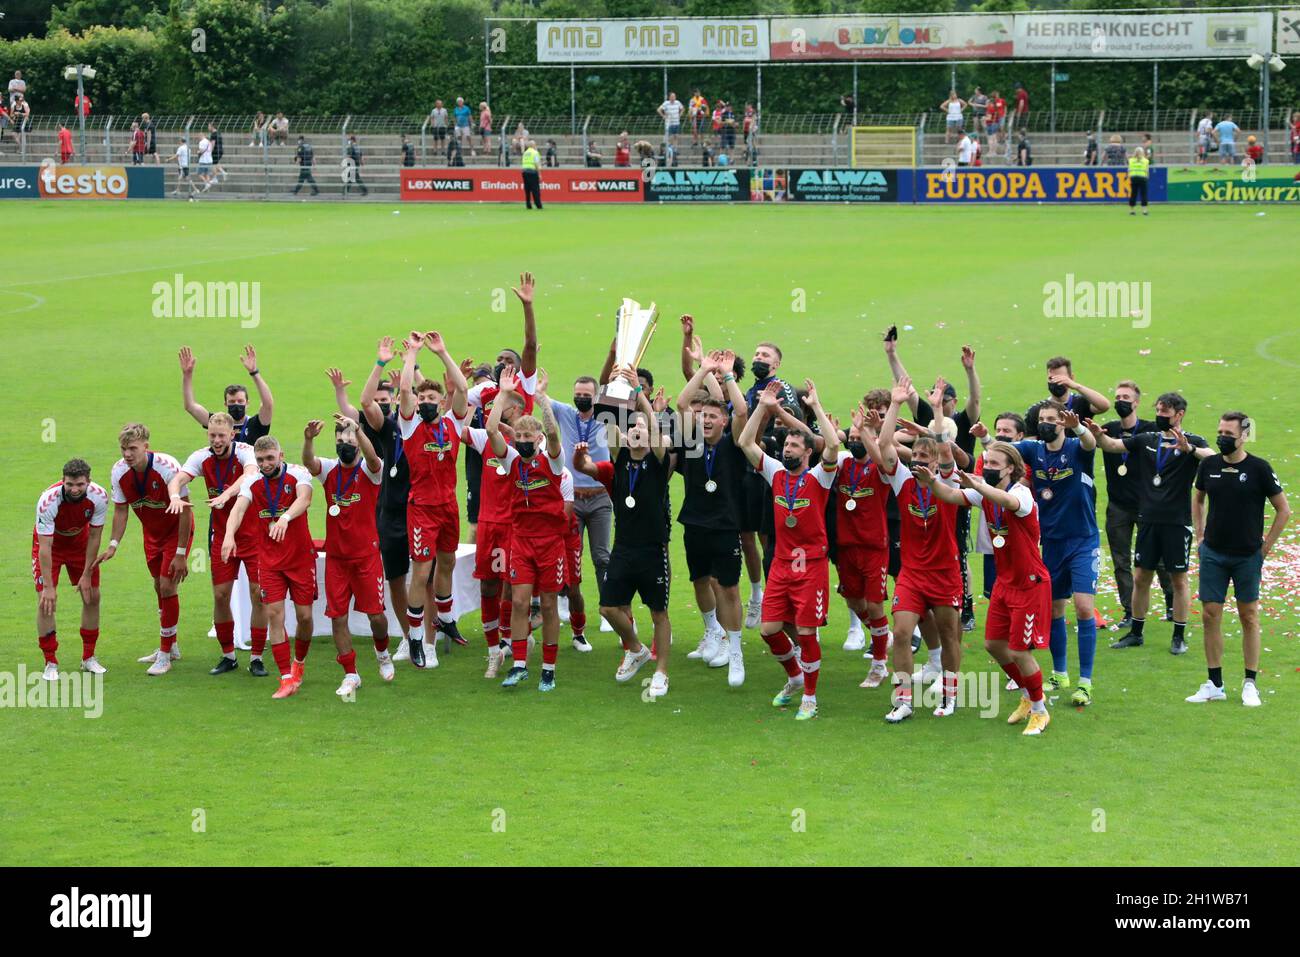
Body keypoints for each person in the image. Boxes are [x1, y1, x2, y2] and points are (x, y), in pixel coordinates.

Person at [925, 443, 1053, 735]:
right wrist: (931, 480)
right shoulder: (985, 492)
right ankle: (1028, 696)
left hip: (1029, 584)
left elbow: (1007, 502)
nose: (989, 468)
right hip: (1005, 583)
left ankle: (1040, 711)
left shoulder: (1021, 494)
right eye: (987, 462)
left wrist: (979, 486)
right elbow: (950, 495)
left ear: (1011, 468)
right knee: (994, 645)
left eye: (996, 463)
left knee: (1020, 651)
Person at [737, 380, 840, 721]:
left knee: (808, 632)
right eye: (788, 445)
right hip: (782, 565)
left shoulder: (819, 478)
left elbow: (834, 444)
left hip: (811, 568)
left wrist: (817, 405)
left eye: (796, 445)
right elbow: (745, 442)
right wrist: (763, 408)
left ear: (807, 452)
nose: (789, 449)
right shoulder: (777, 473)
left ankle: (810, 696)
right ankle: (795, 677)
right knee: (768, 630)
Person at [869, 379, 968, 722]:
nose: (921, 461)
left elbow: (944, 446)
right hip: (912, 572)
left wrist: (938, 409)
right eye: (917, 455)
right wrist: (895, 403)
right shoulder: (903, 481)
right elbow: (883, 444)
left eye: (927, 456)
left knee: (949, 634)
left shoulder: (949, 482)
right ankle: (903, 701)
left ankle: (951, 695)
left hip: (944, 571)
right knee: (901, 632)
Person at [1088, 392, 1212, 655]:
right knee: (1141, 576)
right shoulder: (1147, 439)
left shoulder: (1193, 441)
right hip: (1148, 520)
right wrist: (1098, 434)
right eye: (1157, 411)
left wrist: (1188, 449)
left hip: (1177, 522)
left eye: (1165, 413)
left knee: (1178, 580)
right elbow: (1112, 446)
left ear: (1179, 415)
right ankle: (1136, 632)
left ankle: (1178, 635)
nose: (1159, 417)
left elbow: (1212, 458)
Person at [578, 370, 674, 697]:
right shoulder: (620, 461)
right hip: (624, 548)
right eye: (632, 427)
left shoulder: (659, 461)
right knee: (608, 608)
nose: (636, 431)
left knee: (659, 613)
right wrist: (614, 379)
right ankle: (635, 649)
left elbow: (655, 427)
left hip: (653, 548)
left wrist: (638, 391)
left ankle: (661, 673)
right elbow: (608, 419)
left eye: (642, 429)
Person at [1188, 412, 1289, 706]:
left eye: (1229, 434)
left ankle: (1249, 683)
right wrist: (1200, 536)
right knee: (1209, 614)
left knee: (1248, 616)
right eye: (1220, 431)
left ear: (1243, 436)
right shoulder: (1209, 465)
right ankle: (1214, 683)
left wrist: (1266, 547)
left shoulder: (1259, 469)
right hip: (1214, 553)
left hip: (1247, 555)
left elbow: (1283, 510)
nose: (1223, 437)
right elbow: (1198, 497)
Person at [1014, 404, 1100, 706]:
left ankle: (1085, 683)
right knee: (1054, 609)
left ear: (1063, 423)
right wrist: (987, 440)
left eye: (1052, 420)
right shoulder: (1033, 450)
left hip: (1083, 540)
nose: (1046, 424)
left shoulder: (1077, 447)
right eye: (1042, 420)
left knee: (1084, 608)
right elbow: (1006, 452)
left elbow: (1091, 443)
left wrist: (1079, 427)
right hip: (1051, 542)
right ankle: (1060, 673)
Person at [304, 415, 394, 696]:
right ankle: (351, 674)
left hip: (366, 557)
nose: (345, 444)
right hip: (337, 560)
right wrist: (308, 439)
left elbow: (374, 458)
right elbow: (309, 462)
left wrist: (359, 431)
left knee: (376, 616)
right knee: (337, 617)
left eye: (349, 440)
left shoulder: (370, 471)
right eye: (340, 440)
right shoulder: (330, 470)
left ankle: (382, 654)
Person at [486, 375, 567, 691]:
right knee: (519, 602)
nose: (521, 439)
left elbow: (554, 433)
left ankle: (549, 669)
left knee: (548, 605)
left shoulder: (552, 462)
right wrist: (504, 394)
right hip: (520, 540)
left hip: (550, 543)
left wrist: (543, 399)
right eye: (518, 434)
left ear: (538, 439)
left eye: (527, 436)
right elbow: (493, 430)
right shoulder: (511, 461)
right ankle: (519, 665)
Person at [674, 346, 750, 683]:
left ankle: (735, 651)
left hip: (724, 525)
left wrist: (728, 374)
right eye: (701, 416)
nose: (704, 421)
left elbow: (743, 410)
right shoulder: (692, 442)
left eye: (711, 417)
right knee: (699, 580)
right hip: (695, 523)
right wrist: (702, 370)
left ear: (723, 420)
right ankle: (713, 634)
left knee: (729, 588)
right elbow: (680, 404)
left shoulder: (733, 444)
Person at [397, 331, 471, 667]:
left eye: (431, 397)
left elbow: (463, 390)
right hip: (422, 509)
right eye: (421, 396)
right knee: (422, 570)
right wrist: (412, 354)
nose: (425, 401)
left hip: (448, 507)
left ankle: (445, 616)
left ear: (441, 403)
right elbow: (402, 391)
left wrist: (442, 351)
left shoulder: (453, 424)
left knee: (448, 562)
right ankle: (414, 637)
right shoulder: (411, 426)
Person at [167, 413, 260, 676]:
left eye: (221, 436)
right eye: (212, 435)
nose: (217, 441)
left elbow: (250, 475)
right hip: (221, 536)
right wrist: (174, 495)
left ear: (232, 434)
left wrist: (226, 494)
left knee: (258, 594)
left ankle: (256, 657)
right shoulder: (201, 457)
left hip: (252, 535)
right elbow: (178, 478)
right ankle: (228, 655)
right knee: (220, 595)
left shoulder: (246, 451)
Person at [223, 436, 315, 699]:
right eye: (260, 459)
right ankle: (285, 677)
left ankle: (299, 662)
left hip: (299, 559)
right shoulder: (252, 482)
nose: (264, 464)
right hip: (270, 562)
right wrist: (229, 535)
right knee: (275, 614)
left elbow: (305, 499)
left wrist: (285, 517)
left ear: (281, 456)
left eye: (269, 458)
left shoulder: (298, 474)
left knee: (305, 617)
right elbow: (238, 511)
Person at [102, 424, 193, 677]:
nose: (127, 454)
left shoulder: (167, 467)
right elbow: (121, 510)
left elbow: (186, 509)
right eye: (123, 449)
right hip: (151, 534)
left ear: (146, 447)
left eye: (132, 448)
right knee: (158, 586)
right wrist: (113, 544)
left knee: (167, 586)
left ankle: (165, 655)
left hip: (176, 531)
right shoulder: (119, 471)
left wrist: (181, 553)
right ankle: (171, 645)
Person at [1099, 381, 1173, 630]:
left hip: (1146, 505)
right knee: (1121, 561)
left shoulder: (1151, 430)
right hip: (1117, 506)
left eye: (1126, 396)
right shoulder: (1107, 429)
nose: (1121, 400)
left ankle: (1172, 602)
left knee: (1158, 557)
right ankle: (1130, 611)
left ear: (1137, 402)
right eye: (1118, 396)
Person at [34, 460, 109, 681]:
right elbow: (45, 547)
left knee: (92, 596)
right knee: (46, 602)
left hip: (80, 544)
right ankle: (50, 661)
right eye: (69, 484)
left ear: (89, 481)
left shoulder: (99, 497)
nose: (74, 489)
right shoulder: (48, 501)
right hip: (52, 547)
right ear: (63, 481)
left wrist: (86, 574)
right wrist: (48, 587)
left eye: (79, 484)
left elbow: (95, 536)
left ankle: (89, 658)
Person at [834, 405, 892, 684]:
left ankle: (879, 664)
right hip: (846, 547)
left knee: (875, 605)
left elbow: (882, 457)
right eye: (852, 438)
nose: (855, 443)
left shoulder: (879, 469)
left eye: (861, 439)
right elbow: (826, 448)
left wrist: (870, 430)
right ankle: (881, 633)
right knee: (854, 601)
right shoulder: (843, 464)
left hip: (873, 547)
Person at [179, 344, 274, 448]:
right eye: (232, 402)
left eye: (240, 401)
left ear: (247, 403)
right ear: (225, 404)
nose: (236, 405)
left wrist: (254, 372)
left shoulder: (256, 424)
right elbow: (190, 406)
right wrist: (187, 375)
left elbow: (268, 404)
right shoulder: (217, 422)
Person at [1024, 356, 1110, 436]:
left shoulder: (1081, 402)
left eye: (1060, 378)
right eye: (1051, 378)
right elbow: (1030, 443)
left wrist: (1076, 386)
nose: (1055, 382)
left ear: (1071, 378)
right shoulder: (1036, 410)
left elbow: (1104, 406)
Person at [1127, 146, 1150, 216]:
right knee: (1143, 194)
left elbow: (1128, 169)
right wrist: (1147, 177)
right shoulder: (1146, 161)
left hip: (1133, 178)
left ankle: (1132, 210)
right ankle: (1144, 211)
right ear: (1142, 153)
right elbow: (1147, 170)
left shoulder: (1130, 160)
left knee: (1133, 194)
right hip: (1143, 178)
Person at [521, 139, 542, 210]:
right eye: (535, 144)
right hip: (532, 172)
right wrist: (539, 174)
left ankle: (528, 204)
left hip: (524, 172)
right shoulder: (535, 152)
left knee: (527, 189)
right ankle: (538, 204)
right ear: (533, 145)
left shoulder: (525, 153)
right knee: (535, 189)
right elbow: (537, 164)